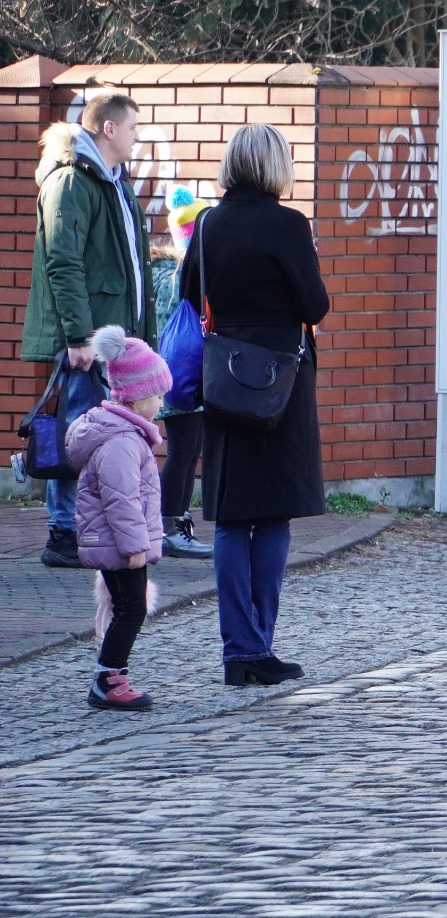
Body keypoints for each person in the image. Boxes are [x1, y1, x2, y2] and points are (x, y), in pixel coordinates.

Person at [178, 124, 329, 687]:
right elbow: (315, 304)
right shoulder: (289, 224)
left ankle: (239, 650)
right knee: (272, 514)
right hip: (281, 378)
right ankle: (260, 645)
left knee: (231, 516)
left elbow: (188, 295)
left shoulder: (209, 223)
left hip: (223, 376)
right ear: (275, 166)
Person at [21, 94, 156, 568]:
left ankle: (90, 530)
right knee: (77, 431)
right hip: (88, 339)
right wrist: (79, 337)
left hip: (112, 336)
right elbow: (62, 261)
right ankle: (63, 532)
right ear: (109, 129)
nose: (138, 136)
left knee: (101, 435)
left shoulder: (114, 181)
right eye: (134, 127)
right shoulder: (72, 181)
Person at [65, 325, 169, 710]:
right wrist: (135, 547)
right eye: (158, 395)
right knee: (131, 610)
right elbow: (121, 501)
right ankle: (108, 681)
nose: (161, 403)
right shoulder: (122, 442)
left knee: (128, 608)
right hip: (120, 545)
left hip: (116, 543)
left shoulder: (124, 435)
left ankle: (112, 677)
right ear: (138, 398)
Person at [151, 186, 212, 559]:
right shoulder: (184, 276)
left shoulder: (166, 272)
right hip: (184, 375)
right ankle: (167, 528)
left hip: (173, 374)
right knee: (184, 451)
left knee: (188, 452)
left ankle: (175, 523)